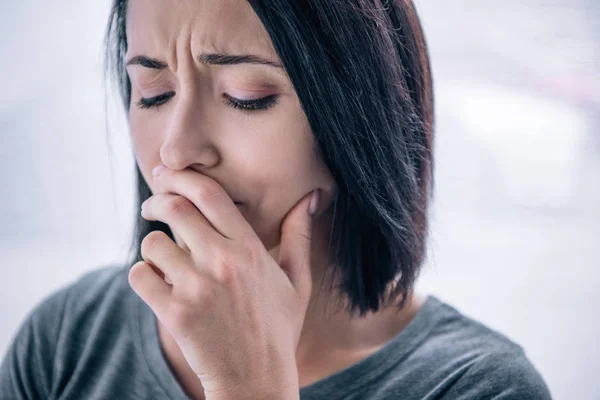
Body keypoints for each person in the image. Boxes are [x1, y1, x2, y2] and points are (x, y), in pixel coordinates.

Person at [0, 0, 553, 399]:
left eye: (247, 98)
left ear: (359, 118)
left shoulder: (479, 387)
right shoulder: (67, 338)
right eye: (154, 93)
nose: (177, 148)